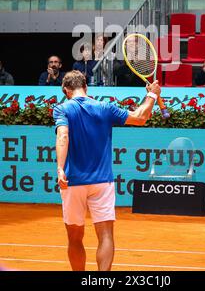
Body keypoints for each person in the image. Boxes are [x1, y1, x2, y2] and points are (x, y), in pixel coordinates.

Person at [53, 70, 161, 271]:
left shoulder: (62, 109)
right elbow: (140, 117)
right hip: (102, 182)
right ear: (86, 87)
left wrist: (60, 168)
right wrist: (152, 95)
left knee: (74, 238)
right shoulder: (104, 107)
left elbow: (63, 136)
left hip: (73, 181)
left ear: (66, 91)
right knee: (106, 236)